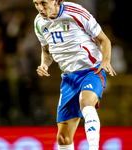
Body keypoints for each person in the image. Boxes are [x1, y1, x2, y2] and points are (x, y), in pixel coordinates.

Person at [33, 0, 116, 150]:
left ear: (57, 1)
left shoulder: (76, 12)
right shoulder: (39, 23)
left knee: (85, 103)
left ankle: (94, 147)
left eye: (44, 3)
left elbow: (104, 40)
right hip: (69, 78)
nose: (39, 8)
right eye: (36, 3)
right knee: (63, 138)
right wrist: (44, 64)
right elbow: (46, 51)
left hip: (91, 70)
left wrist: (105, 61)